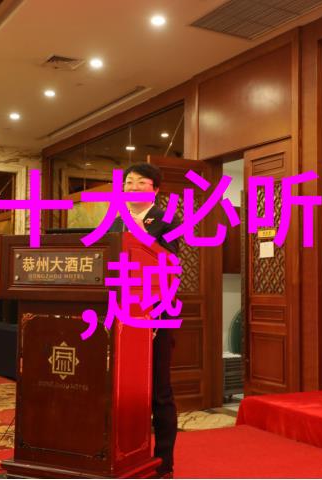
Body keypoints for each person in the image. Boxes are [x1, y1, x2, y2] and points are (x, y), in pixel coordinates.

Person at [108, 163, 178, 477]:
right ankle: (120, 454)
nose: (132, 187)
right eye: (128, 182)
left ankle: (164, 463)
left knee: (159, 391)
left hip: (156, 315)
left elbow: (170, 265)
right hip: (119, 315)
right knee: (119, 389)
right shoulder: (114, 221)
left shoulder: (167, 219)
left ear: (155, 190)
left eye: (141, 182)